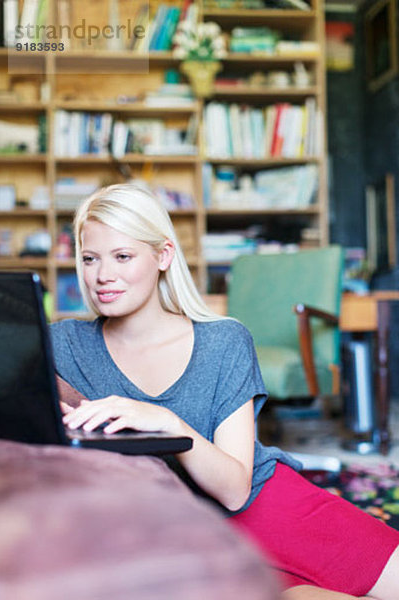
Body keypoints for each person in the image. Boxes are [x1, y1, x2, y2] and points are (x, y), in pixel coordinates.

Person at [50, 182, 399, 599]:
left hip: (269, 507)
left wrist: (166, 423)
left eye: (123, 256)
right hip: (185, 541)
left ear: (163, 256)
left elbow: (235, 489)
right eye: (90, 259)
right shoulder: (61, 346)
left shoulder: (224, 341)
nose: (103, 275)